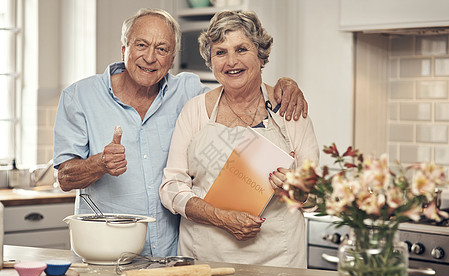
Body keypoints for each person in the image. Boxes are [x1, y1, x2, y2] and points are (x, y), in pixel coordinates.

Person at [53, 8, 309, 258]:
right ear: (124, 50)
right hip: (105, 249)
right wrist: (100, 163)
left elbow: (238, 89)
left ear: (172, 59)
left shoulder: (187, 92)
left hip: (170, 254)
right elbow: (64, 178)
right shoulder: (79, 97)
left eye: (162, 49)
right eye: (141, 45)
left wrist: (285, 84)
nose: (150, 58)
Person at [159, 10, 319, 268]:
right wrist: (220, 217)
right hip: (205, 260)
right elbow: (171, 187)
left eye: (241, 49)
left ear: (261, 55)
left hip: (279, 261)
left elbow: (318, 194)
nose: (231, 61)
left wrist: (297, 190)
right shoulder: (196, 110)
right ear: (210, 61)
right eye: (220, 52)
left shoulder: (290, 110)